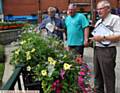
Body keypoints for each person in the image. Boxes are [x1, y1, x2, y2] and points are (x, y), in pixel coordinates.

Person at [91, 0, 120, 93]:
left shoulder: (115, 19)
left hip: (107, 51)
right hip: (97, 49)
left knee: (108, 76)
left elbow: (119, 35)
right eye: (97, 9)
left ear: (108, 9)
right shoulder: (99, 21)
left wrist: (102, 37)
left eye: (101, 9)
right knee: (97, 76)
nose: (98, 11)